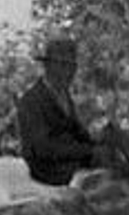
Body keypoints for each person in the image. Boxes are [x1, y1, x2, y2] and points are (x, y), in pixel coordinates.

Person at [16, 38, 107, 187]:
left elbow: (76, 134)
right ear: (48, 66)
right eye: (63, 65)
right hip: (47, 172)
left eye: (72, 66)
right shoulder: (32, 101)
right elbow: (42, 148)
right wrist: (88, 151)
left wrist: (100, 142)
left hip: (70, 165)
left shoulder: (64, 96)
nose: (69, 72)